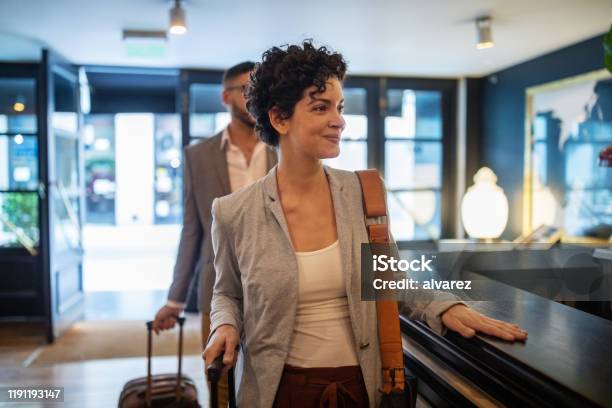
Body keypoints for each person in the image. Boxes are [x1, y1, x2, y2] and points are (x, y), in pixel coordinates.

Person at [203, 41, 528, 408]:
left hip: (362, 387)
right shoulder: (233, 212)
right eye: (320, 107)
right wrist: (225, 324)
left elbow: (390, 280)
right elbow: (227, 293)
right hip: (278, 391)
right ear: (280, 118)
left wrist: (446, 307)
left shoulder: (364, 192)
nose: (339, 119)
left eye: (339, 107)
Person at [152, 61, 277, 407]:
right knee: (220, 383)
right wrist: (175, 300)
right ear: (226, 96)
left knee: (272, 378)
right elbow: (192, 230)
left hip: (277, 286)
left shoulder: (284, 149)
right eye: (246, 90)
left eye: (260, 90)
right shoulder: (198, 156)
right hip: (219, 287)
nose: (255, 97)